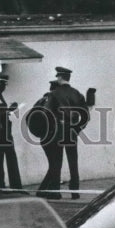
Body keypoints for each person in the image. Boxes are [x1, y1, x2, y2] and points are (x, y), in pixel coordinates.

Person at [45, 66, 92, 199]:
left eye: (57, 77)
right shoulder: (77, 93)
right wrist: (77, 129)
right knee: (73, 161)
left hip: (58, 131)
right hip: (72, 131)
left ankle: (56, 192)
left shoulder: (54, 94)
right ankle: (75, 191)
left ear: (60, 77)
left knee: (56, 161)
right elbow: (86, 116)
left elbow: (47, 113)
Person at [32, 80, 64, 199]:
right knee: (57, 164)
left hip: (44, 137)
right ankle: (54, 192)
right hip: (55, 137)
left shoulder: (41, 100)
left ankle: (43, 190)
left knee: (53, 164)